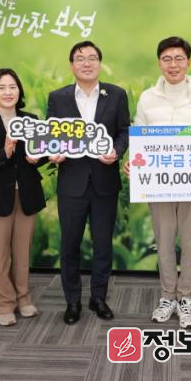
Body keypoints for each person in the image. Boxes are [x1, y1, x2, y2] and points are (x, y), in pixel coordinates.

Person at [125, 36, 191, 329]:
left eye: (179, 58)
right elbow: (139, 137)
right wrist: (134, 165)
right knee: (164, 241)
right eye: (167, 59)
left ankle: (186, 298)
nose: (173, 64)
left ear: (189, 62)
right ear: (159, 63)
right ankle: (168, 295)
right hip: (159, 185)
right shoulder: (147, 98)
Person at [47, 41, 130, 325]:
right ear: (72, 65)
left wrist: (117, 151)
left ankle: (98, 298)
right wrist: (53, 153)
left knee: (103, 245)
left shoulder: (116, 95)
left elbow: (124, 130)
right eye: (80, 58)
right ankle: (72, 301)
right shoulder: (57, 97)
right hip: (72, 183)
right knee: (69, 245)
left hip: (105, 182)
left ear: (100, 64)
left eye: (93, 58)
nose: (87, 63)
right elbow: (51, 135)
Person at [0, 68, 46, 326]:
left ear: (19, 91)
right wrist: (3, 153)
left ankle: (23, 299)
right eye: (2, 87)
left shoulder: (31, 120)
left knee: (22, 254)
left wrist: (39, 158)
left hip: (26, 196)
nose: (8, 92)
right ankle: (3, 304)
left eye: (12, 87)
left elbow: (40, 155)